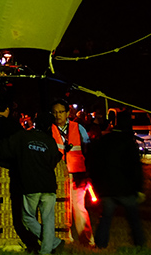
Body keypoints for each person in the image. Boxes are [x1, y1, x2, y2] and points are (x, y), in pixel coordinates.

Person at [0, 114, 64, 254]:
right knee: (48, 219)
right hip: (49, 185)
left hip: (31, 185)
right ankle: (48, 248)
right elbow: (55, 159)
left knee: (27, 218)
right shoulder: (50, 142)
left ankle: (52, 243)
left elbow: (1, 148)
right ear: (50, 127)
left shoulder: (22, 137)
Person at [86, 111, 147, 248]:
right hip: (125, 188)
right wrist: (139, 188)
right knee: (133, 218)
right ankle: (139, 244)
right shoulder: (128, 143)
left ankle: (100, 244)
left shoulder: (105, 140)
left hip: (107, 187)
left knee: (106, 217)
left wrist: (97, 184)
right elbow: (135, 167)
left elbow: (95, 163)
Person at [51, 99, 93, 246]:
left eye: (61, 112)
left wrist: (87, 174)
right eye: (55, 112)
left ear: (68, 113)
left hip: (77, 174)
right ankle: (65, 238)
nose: (57, 115)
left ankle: (87, 239)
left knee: (79, 208)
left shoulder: (78, 128)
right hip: (58, 175)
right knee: (61, 208)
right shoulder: (50, 129)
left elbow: (88, 149)